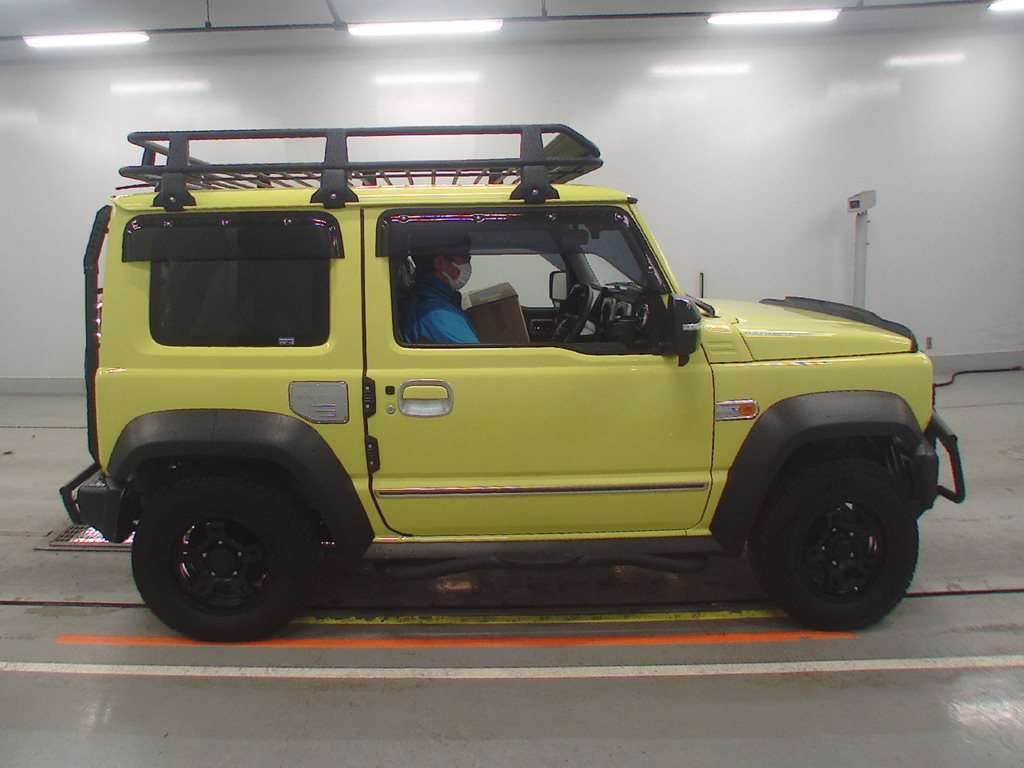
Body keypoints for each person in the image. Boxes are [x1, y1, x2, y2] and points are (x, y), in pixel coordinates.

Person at [402, 239, 480, 344]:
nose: (468, 264)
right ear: (439, 262)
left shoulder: (433, 302)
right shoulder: (437, 314)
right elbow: (474, 353)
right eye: (465, 257)